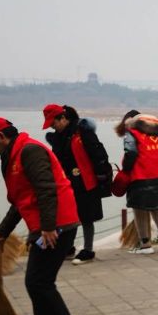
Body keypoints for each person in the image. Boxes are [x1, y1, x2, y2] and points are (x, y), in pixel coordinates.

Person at [0, 117, 82, 315]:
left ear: (1, 137)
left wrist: (48, 227)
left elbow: (46, 188)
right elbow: (20, 200)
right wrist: (2, 232)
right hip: (47, 225)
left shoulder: (29, 151)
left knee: (40, 282)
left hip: (57, 225)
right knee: (36, 280)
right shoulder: (15, 155)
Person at [42, 104, 111, 265]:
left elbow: (99, 155)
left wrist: (102, 178)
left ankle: (88, 250)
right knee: (67, 216)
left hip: (86, 182)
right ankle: (68, 247)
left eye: (54, 123)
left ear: (63, 118)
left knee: (86, 217)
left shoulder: (83, 132)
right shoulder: (58, 138)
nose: (53, 127)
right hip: (66, 183)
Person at [115, 110, 158, 254]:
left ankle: (145, 245)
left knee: (138, 209)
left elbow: (131, 152)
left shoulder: (132, 133)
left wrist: (126, 170)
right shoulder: (157, 135)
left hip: (141, 175)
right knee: (156, 206)